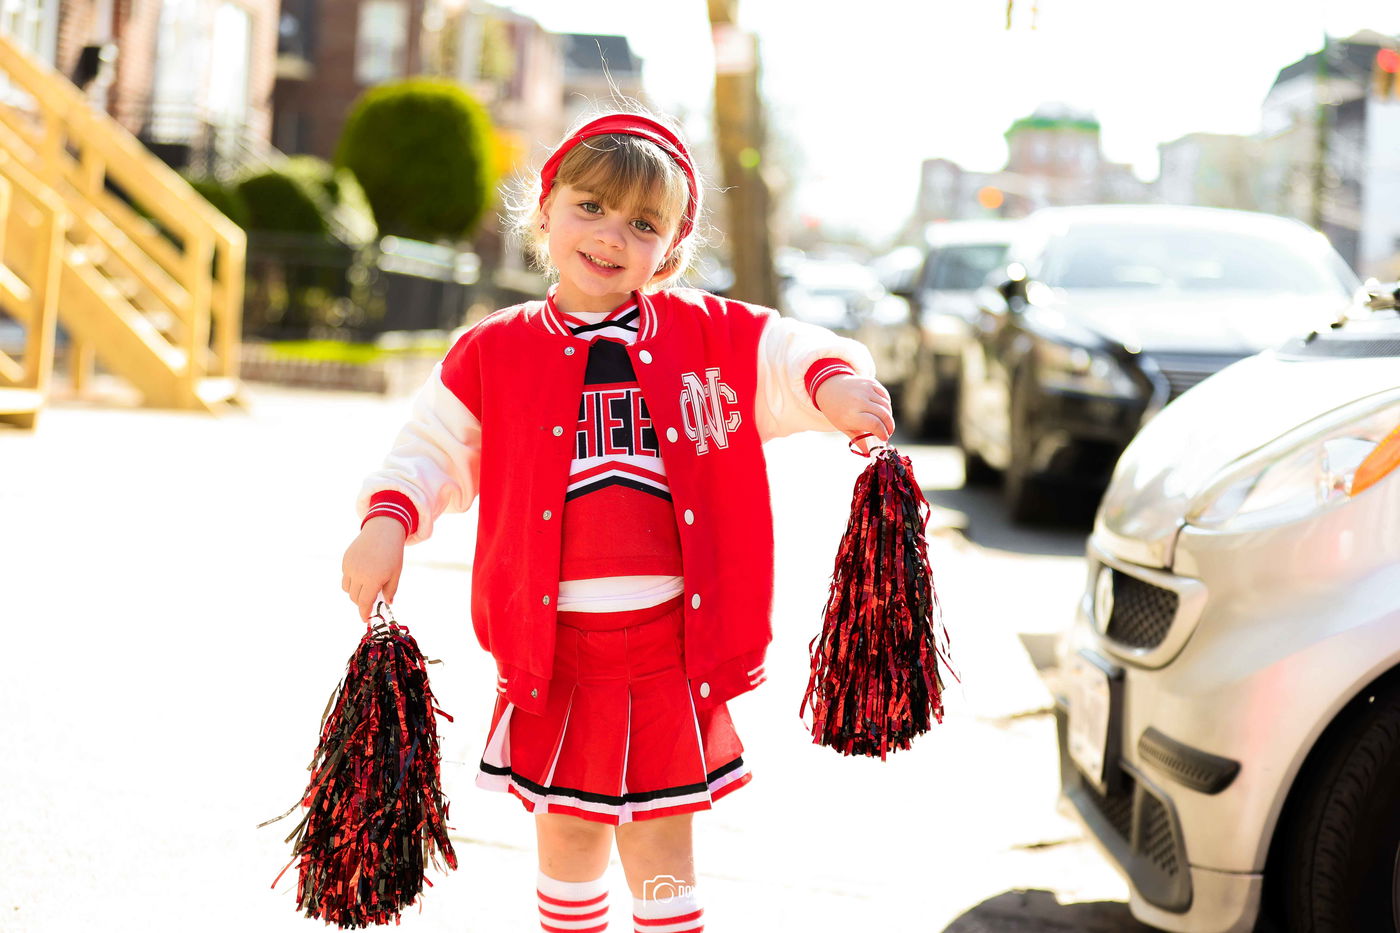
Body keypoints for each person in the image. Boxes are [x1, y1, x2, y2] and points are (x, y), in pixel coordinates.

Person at [341, 107, 894, 933]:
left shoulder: (709, 335)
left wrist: (837, 385)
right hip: (556, 653)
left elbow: (790, 352)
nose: (610, 235)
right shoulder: (494, 350)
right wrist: (389, 516)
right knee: (565, 844)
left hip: (672, 651)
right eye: (590, 207)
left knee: (663, 854)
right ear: (545, 210)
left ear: (669, 248)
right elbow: (433, 447)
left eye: (642, 223)